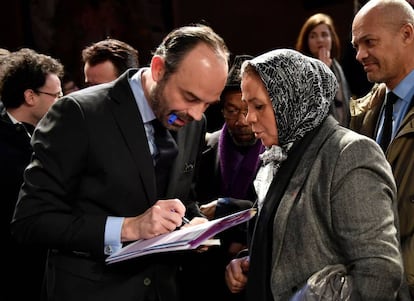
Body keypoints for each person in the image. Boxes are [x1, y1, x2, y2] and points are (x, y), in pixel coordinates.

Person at [11, 24, 229, 301]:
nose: (197, 114)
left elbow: (181, 197)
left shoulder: (192, 123)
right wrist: (128, 227)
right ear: (159, 69)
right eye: (190, 97)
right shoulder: (79, 114)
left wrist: (191, 224)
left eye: (208, 104)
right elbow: (30, 221)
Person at [224, 49, 405, 300]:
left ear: (292, 99)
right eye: (246, 106)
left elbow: (379, 273)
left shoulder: (349, 154)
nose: (249, 118)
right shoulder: (279, 155)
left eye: (258, 106)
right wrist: (251, 263)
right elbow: (291, 240)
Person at [180, 55, 264, 301]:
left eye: (248, 109)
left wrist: (226, 207)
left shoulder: (276, 149)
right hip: (204, 270)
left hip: (251, 270)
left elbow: (278, 210)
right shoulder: (205, 144)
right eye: (232, 110)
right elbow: (186, 196)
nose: (241, 120)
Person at [350, 0, 414, 298]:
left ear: (407, 34)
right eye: (356, 45)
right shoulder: (364, 112)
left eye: (369, 42)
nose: (360, 54)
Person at [0, 48, 64, 301]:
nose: (63, 100)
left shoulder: (48, 133)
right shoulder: (6, 144)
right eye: (57, 95)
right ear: (30, 96)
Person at [296, 13, 352, 127]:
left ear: (332, 38)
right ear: (306, 41)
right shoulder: (301, 70)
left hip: (343, 130)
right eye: (313, 36)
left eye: (324, 35)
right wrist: (323, 73)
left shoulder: (337, 67)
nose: (319, 40)